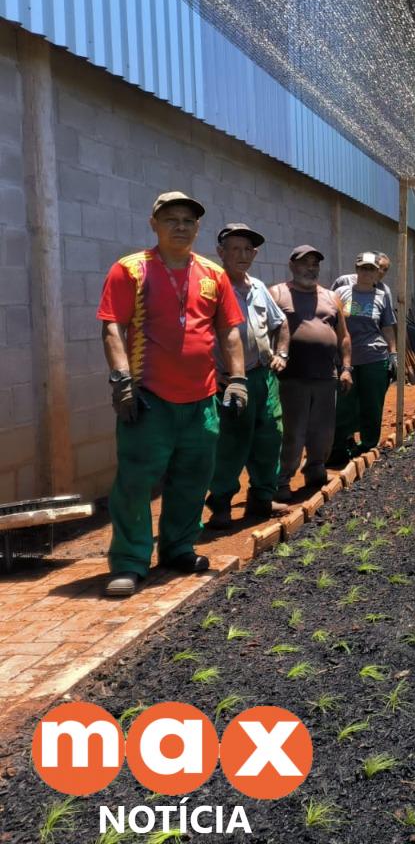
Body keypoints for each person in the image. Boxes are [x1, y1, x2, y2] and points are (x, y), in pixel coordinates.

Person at [97, 191, 247, 596]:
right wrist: (121, 381)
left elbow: (229, 329)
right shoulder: (130, 270)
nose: (180, 226)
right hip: (149, 400)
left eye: (188, 220)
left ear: (197, 227)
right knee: (134, 482)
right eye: (171, 219)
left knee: (192, 478)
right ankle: (129, 561)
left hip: (201, 402)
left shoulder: (213, 274)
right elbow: (113, 326)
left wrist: (237, 380)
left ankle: (179, 547)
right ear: (154, 224)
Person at [206, 223, 290, 530]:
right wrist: (211, 373)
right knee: (230, 444)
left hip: (263, 378)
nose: (243, 255)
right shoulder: (212, 287)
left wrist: (282, 354)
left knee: (270, 437)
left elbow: (281, 323)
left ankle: (262, 498)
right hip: (229, 381)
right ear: (221, 252)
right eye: (235, 249)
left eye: (248, 250)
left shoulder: (258, 288)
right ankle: (221, 506)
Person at [270, 246, 352, 498]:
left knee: (323, 432)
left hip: (326, 377)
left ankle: (316, 470)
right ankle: (281, 481)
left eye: (315, 264)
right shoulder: (277, 293)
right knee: (293, 432)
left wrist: (346, 367)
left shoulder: (331, 297)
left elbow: (344, 336)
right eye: (305, 263)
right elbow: (265, 331)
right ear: (292, 265)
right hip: (291, 378)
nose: (311, 268)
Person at [331, 252, 398, 462]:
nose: (367, 272)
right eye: (363, 268)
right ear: (357, 269)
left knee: (372, 404)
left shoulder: (382, 295)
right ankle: (340, 447)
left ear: (377, 271)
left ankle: (368, 445)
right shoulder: (341, 292)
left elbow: (387, 327)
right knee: (344, 404)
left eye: (371, 269)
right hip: (345, 359)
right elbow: (329, 320)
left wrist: (393, 354)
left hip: (374, 357)